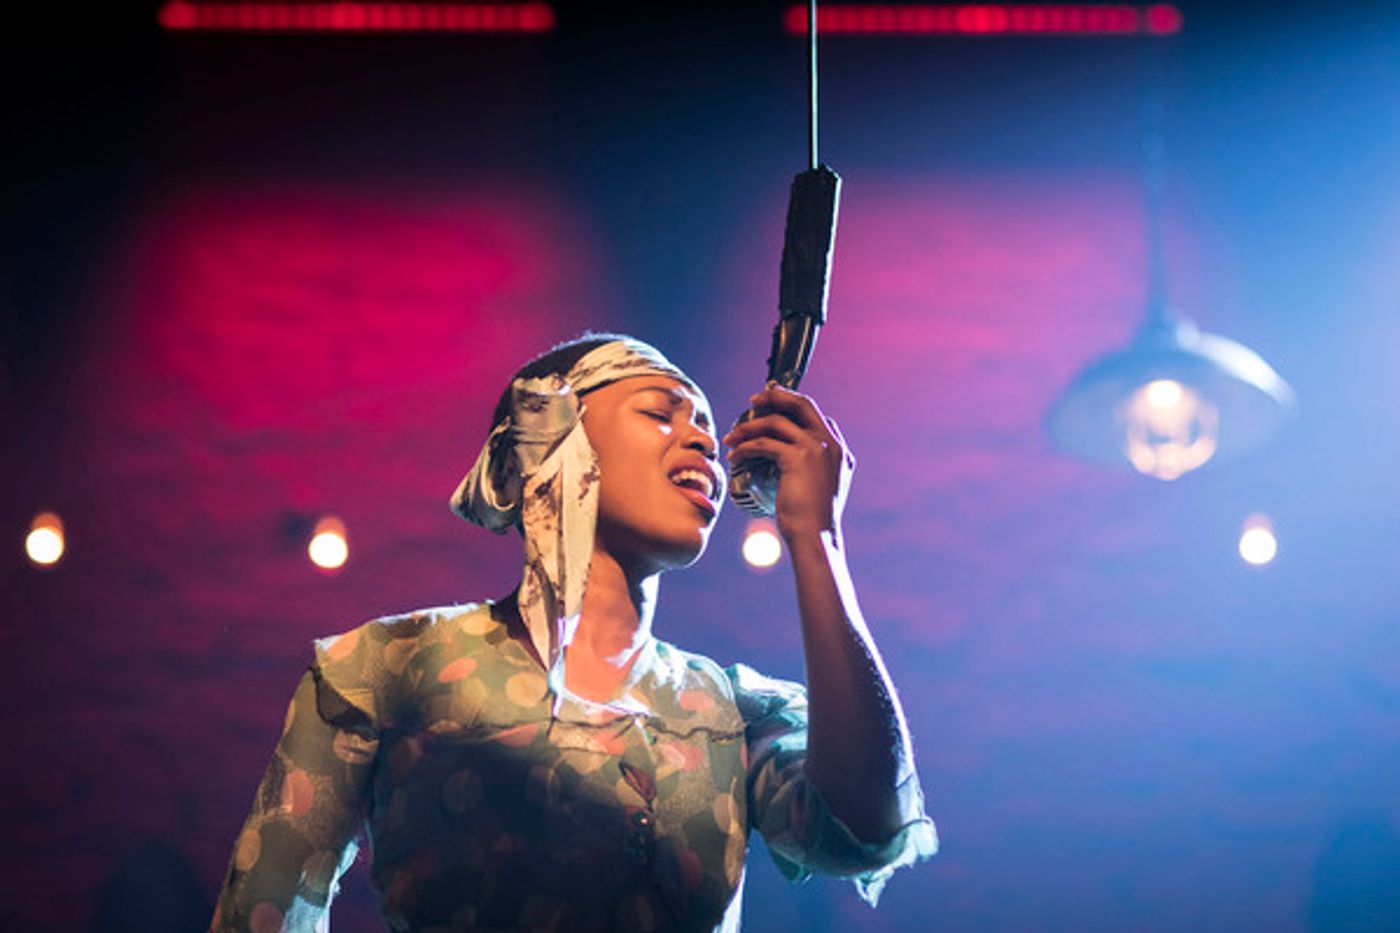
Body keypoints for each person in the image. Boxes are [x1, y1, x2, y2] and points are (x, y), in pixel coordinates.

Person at [210, 334, 936, 932]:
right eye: (661, 412)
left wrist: (817, 539)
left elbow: (866, 827)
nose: (702, 441)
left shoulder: (728, 713)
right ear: (552, 441)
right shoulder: (386, 667)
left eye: (706, 430)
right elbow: (262, 917)